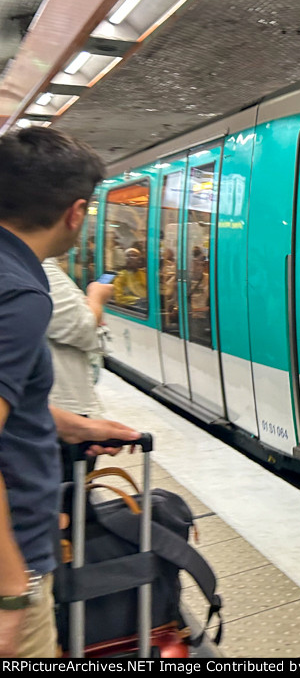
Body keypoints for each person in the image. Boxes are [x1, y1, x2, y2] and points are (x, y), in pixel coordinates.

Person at [0, 127, 140, 658]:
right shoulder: (21, 291)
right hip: (12, 565)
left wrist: (77, 426)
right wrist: (13, 590)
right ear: (76, 212)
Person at [42, 259, 114, 480]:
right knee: (65, 504)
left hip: (57, 418)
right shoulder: (40, 267)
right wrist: (96, 297)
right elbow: (81, 327)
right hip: (61, 416)